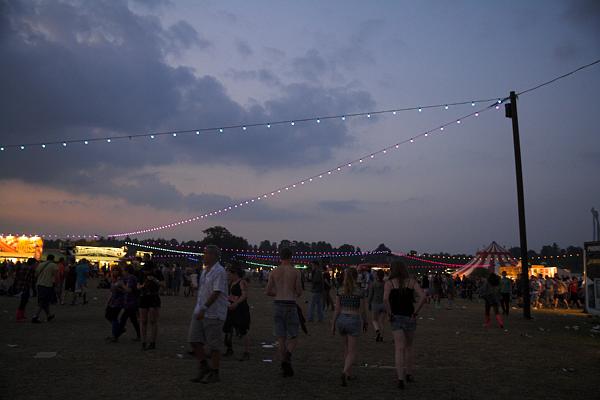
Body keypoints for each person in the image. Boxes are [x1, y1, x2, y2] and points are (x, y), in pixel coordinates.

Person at [189, 245, 228, 384]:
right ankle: (204, 366)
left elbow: (217, 292)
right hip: (200, 310)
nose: (203, 256)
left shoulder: (219, 271)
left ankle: (215, 373)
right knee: (194, 340)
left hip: (213, 313)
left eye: (205, 253)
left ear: (213, 256)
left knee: (214, 345)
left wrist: (204, 308)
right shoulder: (205, 271)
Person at [384, 260, 426, 390]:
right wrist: (416, 312)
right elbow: (423, 296)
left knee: (399, 348)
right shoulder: (412, 282)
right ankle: (409, 374)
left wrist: (389, 313)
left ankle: (400, 378)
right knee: (409, 347)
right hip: (409, 317)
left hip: (396, 317)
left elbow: (385, 299)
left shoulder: (389, 283)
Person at [266, 247, 303, 378]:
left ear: (280, 257)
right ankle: (288, 355)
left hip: (278, 304)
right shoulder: (296, 271)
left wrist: (278, 293)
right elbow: (299, 291)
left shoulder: (274, 271)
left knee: (281, 337)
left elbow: (268, 291)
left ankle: (284, 363)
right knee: (293, 336)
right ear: (291, 257)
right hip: (290, 304)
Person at [332, 268, 368, 386]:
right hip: (353, 319)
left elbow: (337, 309)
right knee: (352, 351)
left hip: (341, 319)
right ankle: (345, 371)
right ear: (356, 276)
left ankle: (348, 373)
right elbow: (362, 310)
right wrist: (365, 321)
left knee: (346, 349)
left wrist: (333, 323)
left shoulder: (340, 290)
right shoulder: (360, 291)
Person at [223, 264, 251, 361]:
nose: (228, 275)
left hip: (240, 309)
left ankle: (246, 352)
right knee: (228, 328)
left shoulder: (242, 282)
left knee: (243, 330)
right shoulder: (231, 282)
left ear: (235, 274)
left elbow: (244, 295)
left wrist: (236, 303)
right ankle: (229, 349)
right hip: (231, 308)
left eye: (230, 273)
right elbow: (230, 294)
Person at [139, 256, 163, 350]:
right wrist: (143, 285)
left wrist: (154, 280)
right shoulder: (141, 273)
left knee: (153, 321)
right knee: (143, 321)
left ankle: (153, 342)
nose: (146, 273)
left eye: (148, 271)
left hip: (154, 297)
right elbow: (138, 286)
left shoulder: (157, 273)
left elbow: (164, 284)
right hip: (143, 297)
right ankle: (143, 342)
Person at [32, 255, 58, 323]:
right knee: (42, 301)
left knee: (45, 301)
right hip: (48, 285)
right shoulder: (54, 265)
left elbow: (36, 274)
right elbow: (56, 276)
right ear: (53, 259)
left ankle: (49, 315)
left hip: (39, 284)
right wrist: (56, 284)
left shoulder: (40, 264)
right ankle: (35, 316)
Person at [120, 265, 141, 341]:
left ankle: (116, 334)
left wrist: (122, 285)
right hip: (132, 302)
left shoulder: (131, 278)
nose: (123, 272)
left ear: (127, 271)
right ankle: (139, 335)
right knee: (133, 320)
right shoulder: (131, 278)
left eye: (124, 271)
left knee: (123, 319)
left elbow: (129, 290)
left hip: (131, 302)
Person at [105, 266, 126, 342]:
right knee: (108, 315)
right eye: (113, 270)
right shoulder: (113, 280)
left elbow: (125, 290)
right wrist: (108, 301)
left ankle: (115, 335)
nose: (115, 272)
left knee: (114, 317)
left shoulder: (121, 280)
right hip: (112, 301)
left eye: (116, 270)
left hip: (118, 302)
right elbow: (111, 291)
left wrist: (119, 289)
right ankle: (119, 329)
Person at [368, 269, 386, 342]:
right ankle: (381, 336)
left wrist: (369, 303)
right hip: (384, 304)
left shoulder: (373, 284)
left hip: (375, 303)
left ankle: (377, 330)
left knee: (374, 320)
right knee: (382, 322)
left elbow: (370, 295)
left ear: (377, 276)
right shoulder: (385, 284)